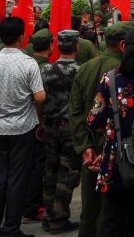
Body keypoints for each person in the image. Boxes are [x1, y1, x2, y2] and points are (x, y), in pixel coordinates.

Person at [88, 28, 134, 237]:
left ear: (124, 46)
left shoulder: (109, 78)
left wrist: (112, 128)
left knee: (112, 219)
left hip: (114, 157)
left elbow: (93, 118)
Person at [0, 17, 46, 237]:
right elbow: (40, 96)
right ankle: (11, 229)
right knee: (17, 179)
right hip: (22, 128)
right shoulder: (28, 63)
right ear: (21, 37)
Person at [69, 21, 134, 237]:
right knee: (116, 210)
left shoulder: (86, 68)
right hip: (121, 151)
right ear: (124, 45)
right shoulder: (129, 72)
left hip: (91, 150)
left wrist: (84, 145)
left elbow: (76, 111)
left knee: (90, 207)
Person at [38, 31, 83, 234]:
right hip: (70, 128)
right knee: (67, 174)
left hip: (49, 126)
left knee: (51, 171)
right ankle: (58, 218)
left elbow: (38, 99)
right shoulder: (81, 71)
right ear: (77, 46)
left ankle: (49, 215)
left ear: (57, 47)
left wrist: (41, 123)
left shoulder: (45, 69)